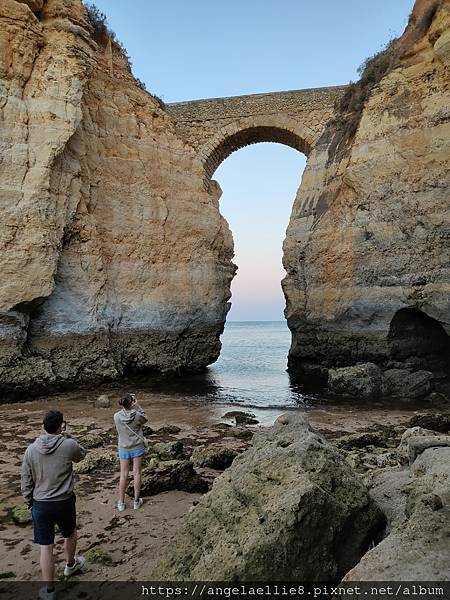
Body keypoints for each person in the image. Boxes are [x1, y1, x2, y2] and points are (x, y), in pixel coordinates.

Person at [21, 410, 87, 600]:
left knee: (45, 547)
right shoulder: (68, 445)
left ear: (43, 427)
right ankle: (70, 565)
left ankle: (49, 590)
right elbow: (81, 453)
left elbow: (25, 480)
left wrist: (29, 502)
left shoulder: (31, 449)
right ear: (61, 426)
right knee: (70, 533)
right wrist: (68, 435)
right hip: (64, 501)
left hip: (41, 503)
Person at [113, 393, 148, 512]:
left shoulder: (116, 416)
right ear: (132, 402)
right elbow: (146, 419)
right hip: (137, 447)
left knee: (123, 475)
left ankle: (121, 503)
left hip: (123, 447)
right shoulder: (138, 415)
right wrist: (138, 406)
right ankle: (136, 502)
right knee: (137, 474)